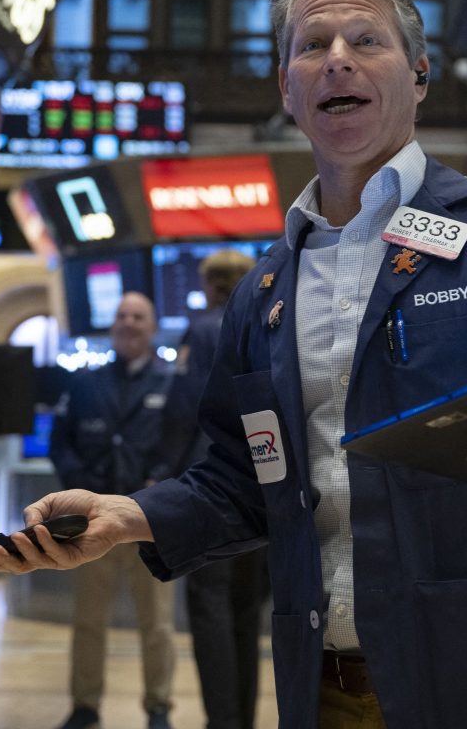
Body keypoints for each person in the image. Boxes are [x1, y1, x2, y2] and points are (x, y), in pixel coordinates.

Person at [0, 0, 467, 729]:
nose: (337, 59)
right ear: (287, 89)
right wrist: (127, 515)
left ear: (420, 74)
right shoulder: (266, 291)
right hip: (324, 683)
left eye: (367, 40)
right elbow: (242, 478)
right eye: (312, 45)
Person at [48, 291, 176, 729]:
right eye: (121, 316)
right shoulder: (85, 384)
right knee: (88, 621)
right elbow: (60, 444)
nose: (128, 323)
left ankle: (158, 708)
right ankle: (85, 707)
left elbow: (185, 444)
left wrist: (162, 483)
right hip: (90, 525)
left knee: (157, 623)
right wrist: (79, 487)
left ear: (152, 326)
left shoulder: (170, 382)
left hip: (149, 524)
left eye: (138, 316)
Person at [160, 248, 270, 729]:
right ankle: (242, 719)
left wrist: (166, 473)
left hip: (211, 485)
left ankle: (221, 722)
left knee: (210, 611)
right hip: (263, 485)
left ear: (210, 285)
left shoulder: (202, 329)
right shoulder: (268, 322)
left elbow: (186, 409)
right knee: (248, 613)